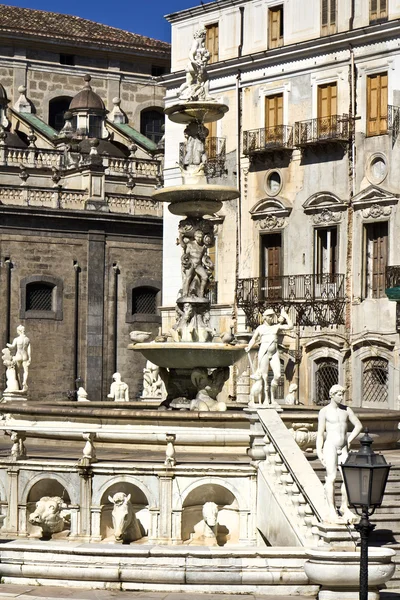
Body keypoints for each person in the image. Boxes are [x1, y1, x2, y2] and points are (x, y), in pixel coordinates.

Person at [316, 384, 363, 523]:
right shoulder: (324, 411)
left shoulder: (346, 410)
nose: (341, 397)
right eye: (339, 394)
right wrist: (319, 451)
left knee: (347, 478)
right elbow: (320, 434)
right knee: (331, 477)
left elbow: (358, 425)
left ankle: (344, 506)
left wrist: (349, 439)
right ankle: (331, 508)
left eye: (342, 394)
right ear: (332, 395)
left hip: (343, 448)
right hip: (330, 446)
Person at [245, 308, 293, 404]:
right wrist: (249, 346)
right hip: (264, 352)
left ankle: (272, 397)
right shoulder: (260, 328)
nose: (272, 318)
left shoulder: (276, 327)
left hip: (274, 353)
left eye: (272, 316)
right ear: (265, 318)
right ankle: (266, 399)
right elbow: (253, 339)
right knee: (264, 377)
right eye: (270, 316)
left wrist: (285, 315)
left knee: (278, 375)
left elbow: (290, 326)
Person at [181, 229, 212, 298]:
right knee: (188, 278)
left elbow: (203, 257)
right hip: (191, 263)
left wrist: (208, 263)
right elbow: (186, 255)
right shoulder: (190, 244)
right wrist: (185, 263)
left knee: (205, 277)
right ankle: (185, 294)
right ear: (195, 237)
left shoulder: (203, 246)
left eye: (201, 237)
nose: (200, 239)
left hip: (198, 265)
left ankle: (201, 292)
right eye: (198, 237)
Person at [7, 325, 31, 391]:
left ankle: (19, 386)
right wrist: (30, 358)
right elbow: (29, 350)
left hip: (18, 355)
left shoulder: (17, 339)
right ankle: (24, 382)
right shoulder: (27, 339)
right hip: (24, 356)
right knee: (26, 371)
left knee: (17, 372)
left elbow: (12, 346)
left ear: (19, 331)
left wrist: (7, 345)